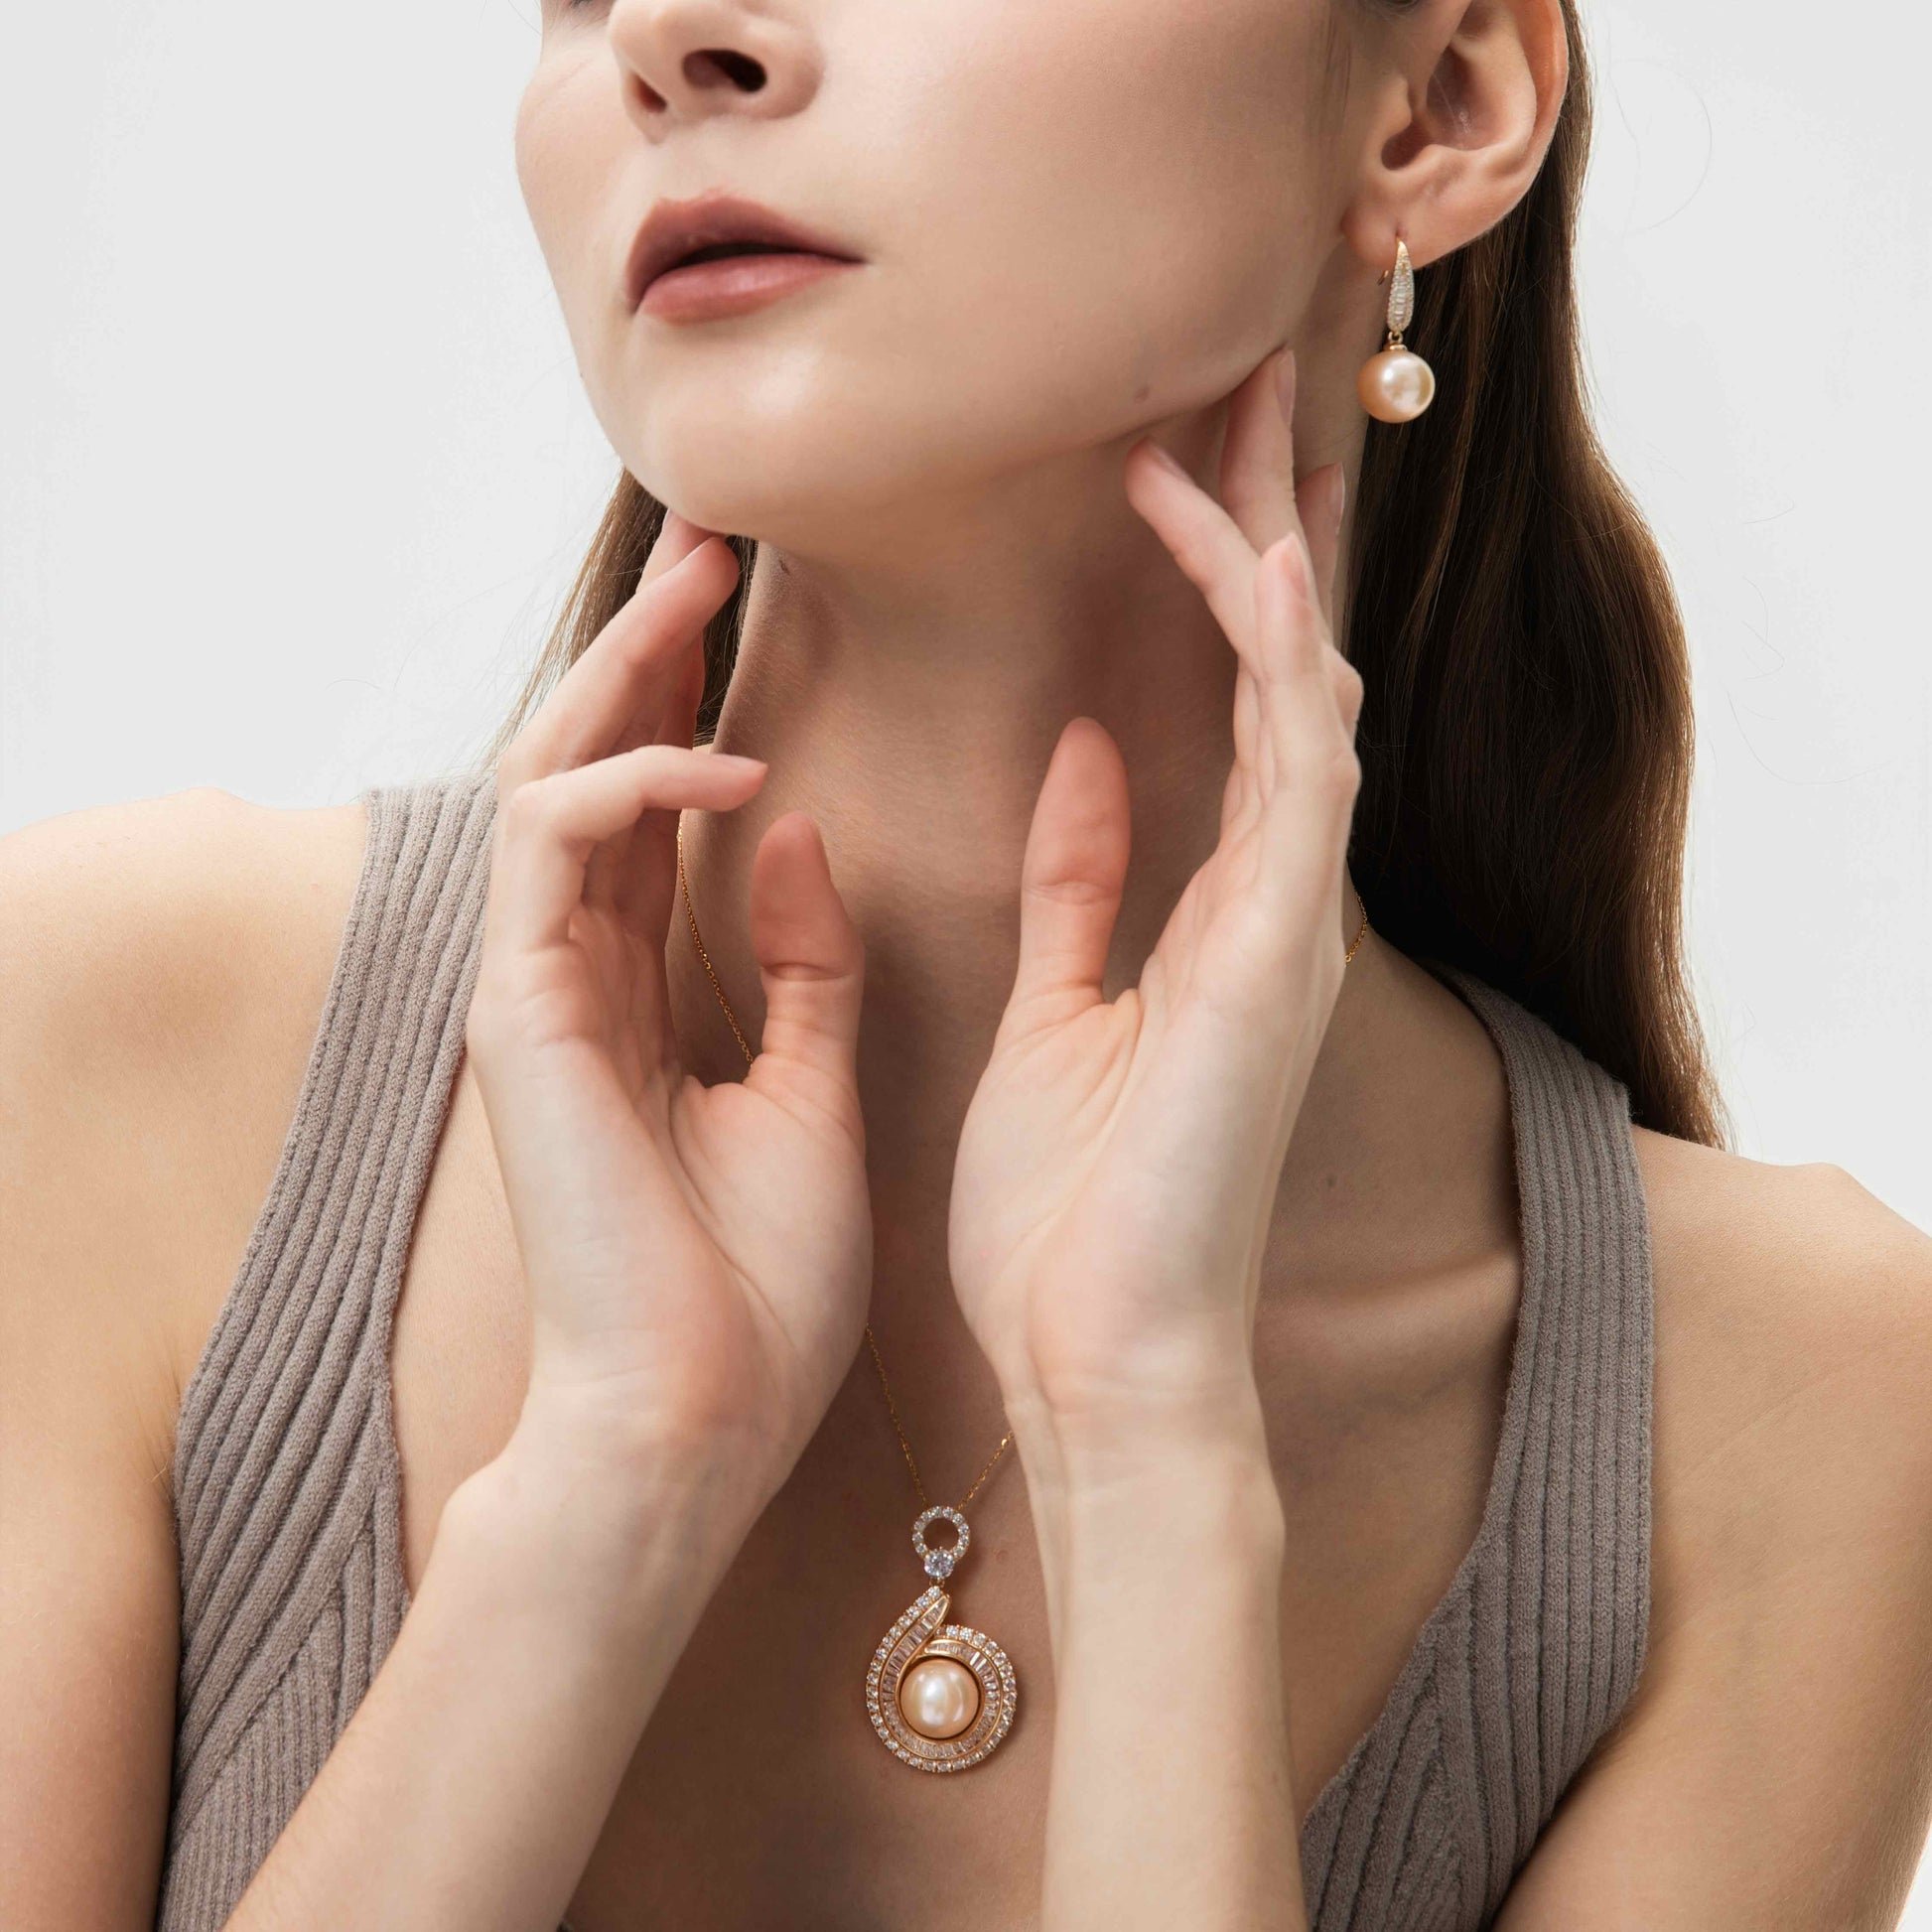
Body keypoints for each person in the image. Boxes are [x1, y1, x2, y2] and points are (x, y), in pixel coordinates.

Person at [5, 0, 1930, 1926]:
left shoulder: (1792, 1402)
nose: (675, 35)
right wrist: (603, 1487)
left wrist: (1150, 1455)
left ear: (1439, 101)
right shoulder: (97, 1045)